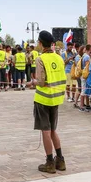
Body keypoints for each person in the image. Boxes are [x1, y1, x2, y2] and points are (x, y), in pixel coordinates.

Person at [32, 30, 66, 173]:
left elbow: (40, 81)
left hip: (43, 99)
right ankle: (60, 160)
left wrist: (32, 82)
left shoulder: (40, 59)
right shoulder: (59, 58)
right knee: (53, 130)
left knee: (45, 131)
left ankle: (49, 162)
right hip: (56, 98)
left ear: (40, 43)